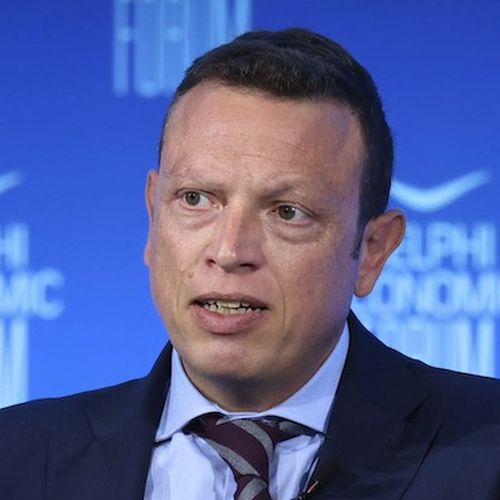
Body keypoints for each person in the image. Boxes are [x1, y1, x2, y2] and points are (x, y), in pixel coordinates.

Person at [1, 28, 500, 500]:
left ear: (372, 249)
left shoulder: (485, 448)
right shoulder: (17, 458)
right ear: (153, 218)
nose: (229, 251)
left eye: (288, 212)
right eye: (196, 199)